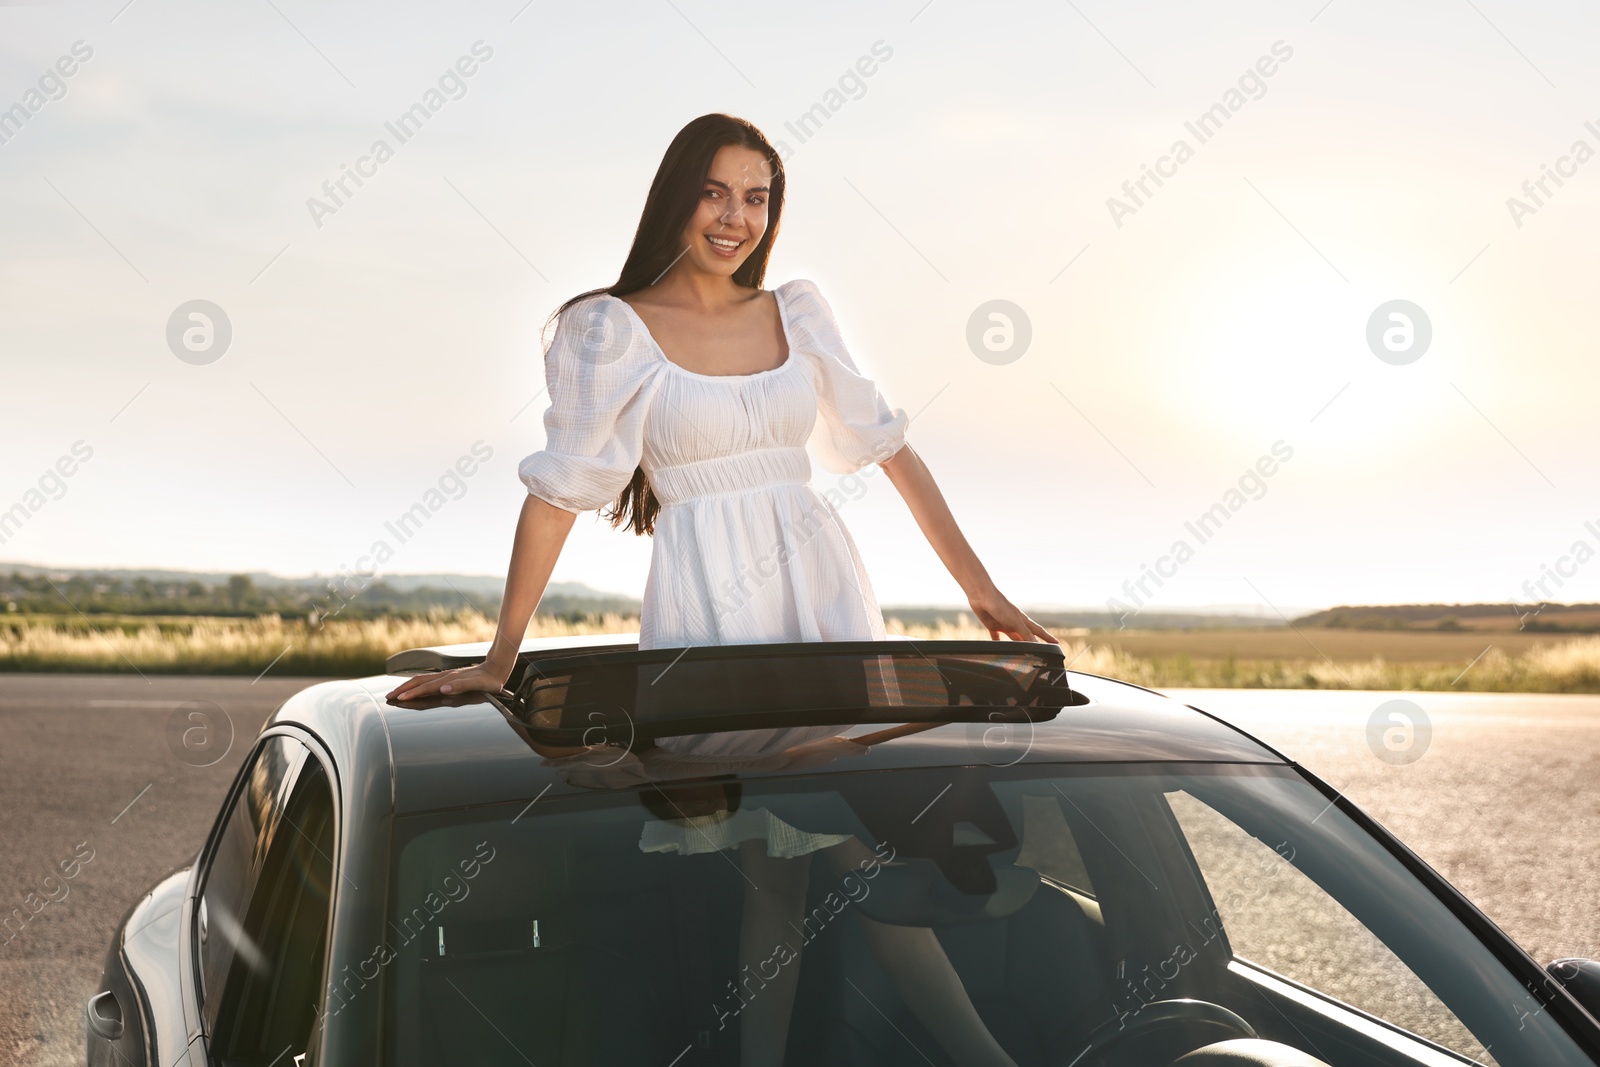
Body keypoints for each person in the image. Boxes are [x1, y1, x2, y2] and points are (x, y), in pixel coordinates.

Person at [387, 111, 1057, 1066]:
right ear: (676, 195)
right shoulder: (607, 328)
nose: (735, 216)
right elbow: (559, 493)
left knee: (838, 849)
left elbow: (889, 449)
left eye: (757, 196)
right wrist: (501, 655)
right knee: (784, 867)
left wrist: (983, 594)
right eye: (715, 190)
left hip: (822, 601)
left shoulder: (799, 310)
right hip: (713, 608)